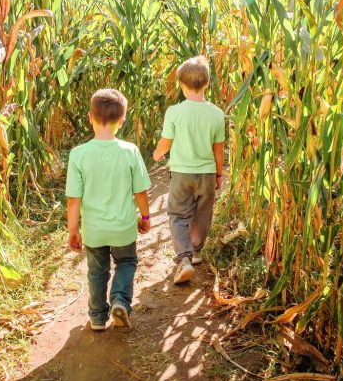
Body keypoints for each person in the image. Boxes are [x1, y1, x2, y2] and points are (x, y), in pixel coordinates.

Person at [66, 88, 151, 331]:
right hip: (123, 227)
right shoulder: (130, 151)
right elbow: (140, 192)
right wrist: (145, 217)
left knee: (97, 271)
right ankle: (120, 300)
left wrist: (74, 230)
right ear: (122, 120)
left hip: (94, 230)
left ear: (89, 117)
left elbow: (74, 199)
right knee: (126, 261)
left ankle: (97, 318)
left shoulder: (79, 155)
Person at [153, 55, 225, 284]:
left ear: (182, 85)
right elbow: (219, 149)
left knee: (177, 214)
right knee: (203, 213)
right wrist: (219, 173)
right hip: (206, 173)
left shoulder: (174, 112)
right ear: (206, 84)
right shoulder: (217, 113)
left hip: (182, 174)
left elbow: (166, 141)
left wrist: (157, 153)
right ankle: (196, 252)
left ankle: (183, 257)